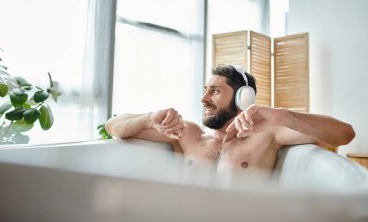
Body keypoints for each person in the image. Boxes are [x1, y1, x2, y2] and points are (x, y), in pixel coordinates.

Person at [105, 64, 355, 174]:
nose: (203, 98)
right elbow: (113, 126)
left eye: (214, 91)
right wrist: (149, 118)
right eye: (204, 90)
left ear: (242, 99)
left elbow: (344, 134)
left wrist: (283, 115)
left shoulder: (267, 135)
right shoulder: (186, 133)